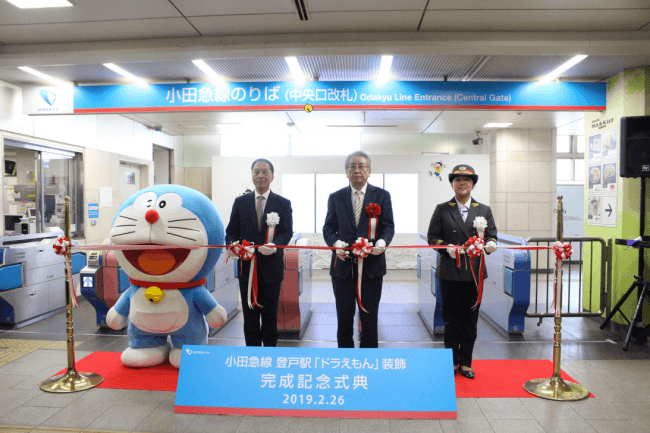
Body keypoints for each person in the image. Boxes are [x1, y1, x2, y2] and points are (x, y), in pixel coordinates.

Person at [427, 164, 497, 379]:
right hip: (449, 272)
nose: (462, 183)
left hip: (474, 275)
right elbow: (432, 238)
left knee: (470, 319)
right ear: (452, 184)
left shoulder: (483, 210)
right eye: (457, 180)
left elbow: (491, 236)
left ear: (473, 184)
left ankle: (466, 362)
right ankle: (450, 361)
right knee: (450, 319)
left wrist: (491, 244)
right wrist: (446, 248)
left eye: (466, 180)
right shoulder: (442, 208)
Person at [323, 151, 395, 348]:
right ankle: (346, 360)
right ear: (346, 172)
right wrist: (334, 243)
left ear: (369, 171)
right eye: (352, 166)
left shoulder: (382, 196)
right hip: (343, 268)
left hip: (372, 267)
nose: (357, 170)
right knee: (344, 318)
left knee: (370, 318)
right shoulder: (336, 197)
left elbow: (388, 226)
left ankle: (368, 361)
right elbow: (328, 228)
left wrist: (382, 242)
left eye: (361, 166)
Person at [225, 159, 293, 347]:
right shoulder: (240, 202)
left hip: (272, 270)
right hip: (246, 270)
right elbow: (231, 231)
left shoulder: (283, 203)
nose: (260, 176)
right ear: (252, 175)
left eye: (265, 172)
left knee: (270, 317)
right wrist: (232, 245)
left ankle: (269, 357)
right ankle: (252, 356)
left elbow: (287, 231)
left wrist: (275, 245)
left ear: (272, 176)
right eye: (256, 172)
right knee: (250, 317)